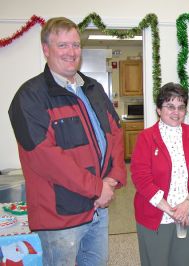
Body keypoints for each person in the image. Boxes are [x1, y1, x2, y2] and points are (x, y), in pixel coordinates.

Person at [8, 17, 127, 266]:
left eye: (75, 45)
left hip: (98, 208)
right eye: (62, 45)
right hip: (60, 216)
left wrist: (111, 180)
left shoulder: (93, 88)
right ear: (45, 49)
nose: (71, 52)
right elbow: (47, 159)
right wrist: (97, 188)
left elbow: (115, 132)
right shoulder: (30, 97)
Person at [130, 82, 189, 266]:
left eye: (181, 107)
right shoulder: (146, 138)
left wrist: (187, 204)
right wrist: (172, 210)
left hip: (187, 215)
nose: (176, 112)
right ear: (159, 109)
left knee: (185, 261)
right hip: (155, 216)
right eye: (170, 106)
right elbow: (141, 179)